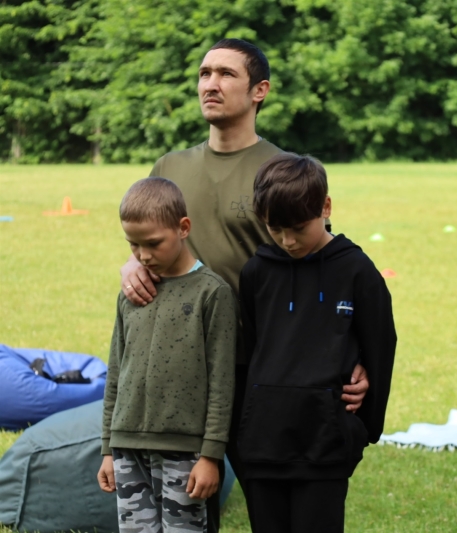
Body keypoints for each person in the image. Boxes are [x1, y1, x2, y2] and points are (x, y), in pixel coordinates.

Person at [116, 38, 369, 528]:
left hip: (263, 366)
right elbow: (150, 238)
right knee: (186, 503)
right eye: (205, 73)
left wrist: (353, 355)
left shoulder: (283, 170)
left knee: (269, 500)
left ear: (260, 91)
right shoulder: (170, 168)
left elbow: (328, 267)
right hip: (184, 368)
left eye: (227, 74)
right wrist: (129, 265)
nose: (211, 83)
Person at [237, 152, 396, 532]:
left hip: (325, 443)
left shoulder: (358, 271)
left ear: (325, 207)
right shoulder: (256, 272)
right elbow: (253, 349)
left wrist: (361, 427)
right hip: (263, 443)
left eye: (297, 228)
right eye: (275, 229)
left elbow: (380, 347)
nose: (287, 240)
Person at [98, 177, 237, 532]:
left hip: (185, 453)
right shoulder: (131, 294)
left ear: (183, 228)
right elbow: (116, 371)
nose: (143, 255)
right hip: (127, 446)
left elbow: (222, 382)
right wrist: (108, 449)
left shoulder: (212, 293)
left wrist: (210, 456)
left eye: (153, 243)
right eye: (133, 245)